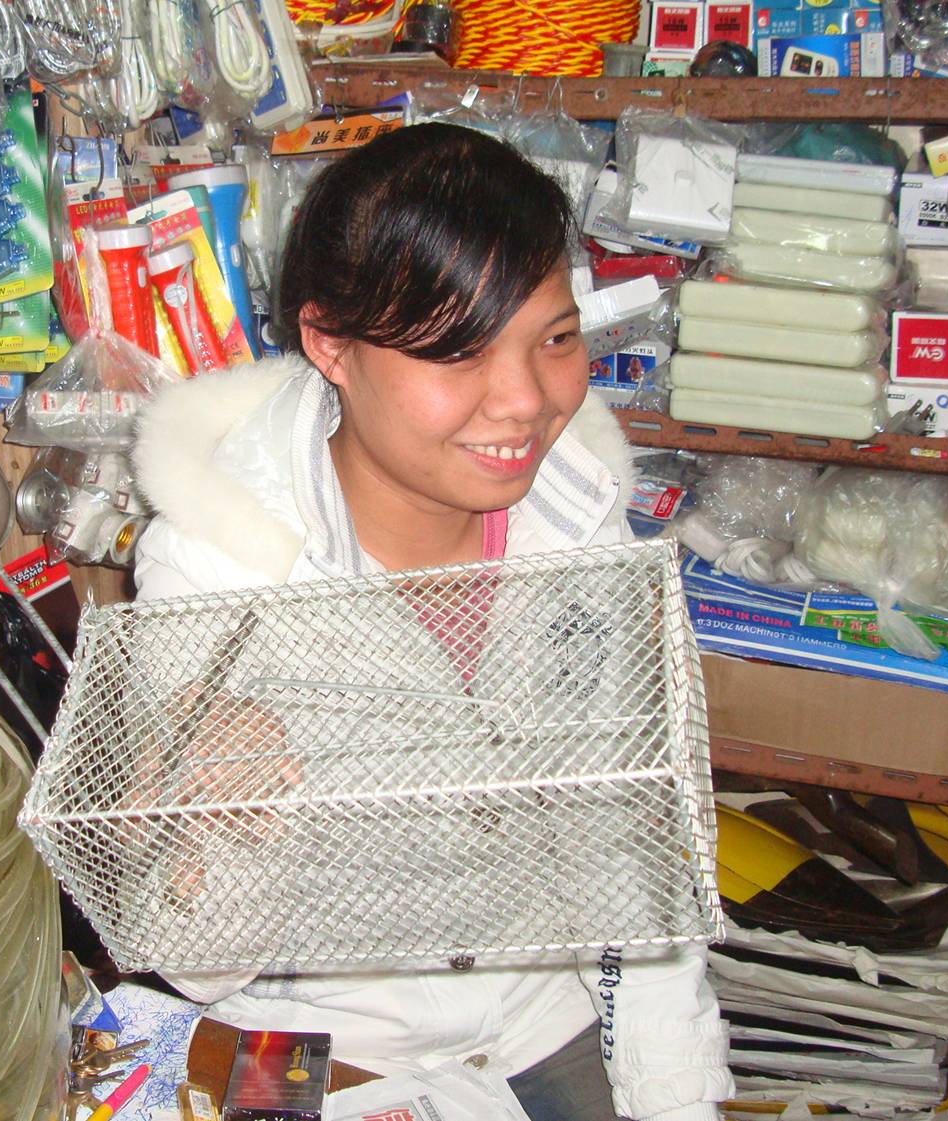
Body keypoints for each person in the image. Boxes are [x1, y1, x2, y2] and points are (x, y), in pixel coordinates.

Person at [130, 122, 733, 1121]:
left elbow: (634, 852)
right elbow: (194, 966)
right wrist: (210, 819)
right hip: (327, 1049)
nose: (525, 403)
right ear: (330, 344)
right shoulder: (215, 561)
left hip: (549, 1014)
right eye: (457, 352)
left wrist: (675, 1096)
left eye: (552, 337)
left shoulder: (580, 519)